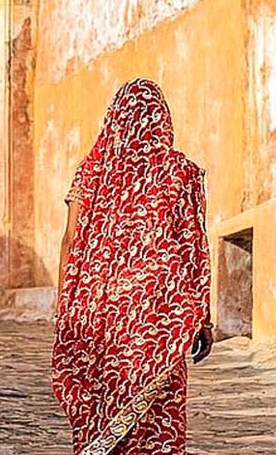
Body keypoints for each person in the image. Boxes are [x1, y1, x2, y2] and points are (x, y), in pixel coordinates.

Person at [52, 79, 212, 455]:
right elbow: (193, 246)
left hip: (101, 308)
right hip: (159, 311)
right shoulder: (179, 172)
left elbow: (72, 239)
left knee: (103, 395)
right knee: (157, 410)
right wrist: (201, 315)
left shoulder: (92, 172)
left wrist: (68, 304)